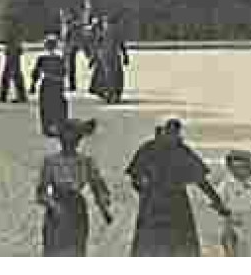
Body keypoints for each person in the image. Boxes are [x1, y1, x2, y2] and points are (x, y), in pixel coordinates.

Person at [125, 118, 232, 256]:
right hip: (169, 204)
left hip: (160, 204)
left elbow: (201, 181)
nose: (172, 137)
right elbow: (135, 176)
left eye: (174, 134)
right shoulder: (172, 150)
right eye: (170, 133)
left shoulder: (154, 148)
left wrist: (218, 203)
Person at [35, 118, 114, 256]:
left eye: (73, 140)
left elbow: (98, 186)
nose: (69, 144)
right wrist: (53, 205)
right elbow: (41, 192)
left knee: (76, 249)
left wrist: (104, 208)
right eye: (66, 141)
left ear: (78, 141)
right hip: (56, 210)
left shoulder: (86, 162)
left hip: (77, 210)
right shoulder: (51, 162)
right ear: (60, 141)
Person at [212, 150, 251, 256]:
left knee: (243, 242)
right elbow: (216, 196)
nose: (238, 172)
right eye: (234, 168)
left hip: (247, 216)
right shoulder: (227, 183)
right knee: (228, 238)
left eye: (242, 168)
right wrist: (218, 205)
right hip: (230, 215)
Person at [30, 35, 70, 136]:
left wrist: (33, 85)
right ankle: (59, 126)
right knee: (58, 106)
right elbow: (64, 72)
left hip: (47, 82)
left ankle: (47, 128)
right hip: (57, 83)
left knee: (45, 106)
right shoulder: (60, 57)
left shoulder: (42, 58)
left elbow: (36, 72)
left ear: (46, 45)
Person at [92, 17, 130, 104]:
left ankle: (110, 95)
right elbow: (121, 44)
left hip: (105, 56)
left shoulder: (103, 31)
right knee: (114, 76)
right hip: (112, 55)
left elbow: (97, 44)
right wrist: (125, 55)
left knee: (108, 76)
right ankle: (113, 95)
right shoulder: (115, 31)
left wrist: (94, 57)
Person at [0, 22, 27, 103]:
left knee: (15, 74)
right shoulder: (12, 28)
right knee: (9, 74)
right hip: (12, 51)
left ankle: (20, 96)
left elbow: (16, 40)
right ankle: (4, 95)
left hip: (13, 52)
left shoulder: (14, 28)